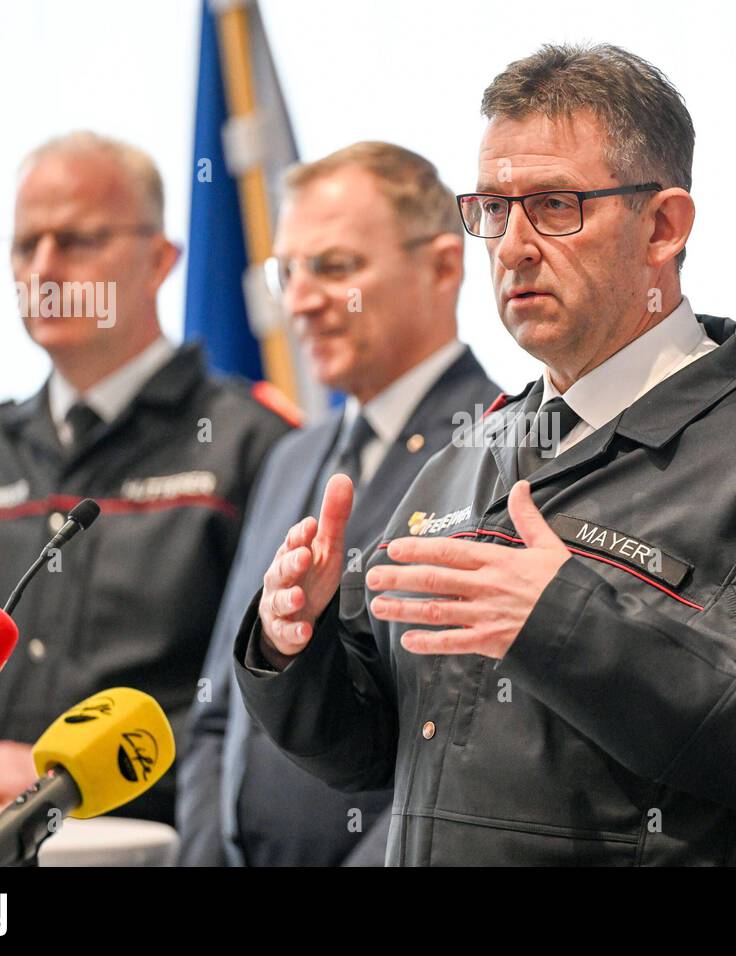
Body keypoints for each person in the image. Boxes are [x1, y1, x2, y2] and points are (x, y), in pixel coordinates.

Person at [235, 44, 736, 865]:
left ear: (664, 227)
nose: (512, 245)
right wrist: (296, 645)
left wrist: (566, 625)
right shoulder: (471, 454)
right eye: (494, 208)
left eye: (556, 204)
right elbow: (372, 754)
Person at [0, 132, 293, 824]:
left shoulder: (257, 446)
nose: (44, 268)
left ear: (160, 260)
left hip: (160, 849)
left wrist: (56, 778)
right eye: (25, 245)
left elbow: (278, 703)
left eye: (76, 242)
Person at [177, 142, 498, 866]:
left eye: (336, 267)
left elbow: (465, 749)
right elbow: (219, 709)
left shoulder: (503, 453)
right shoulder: (292, 454)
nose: (300, 300)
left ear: (444, 266)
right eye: (288, 271)